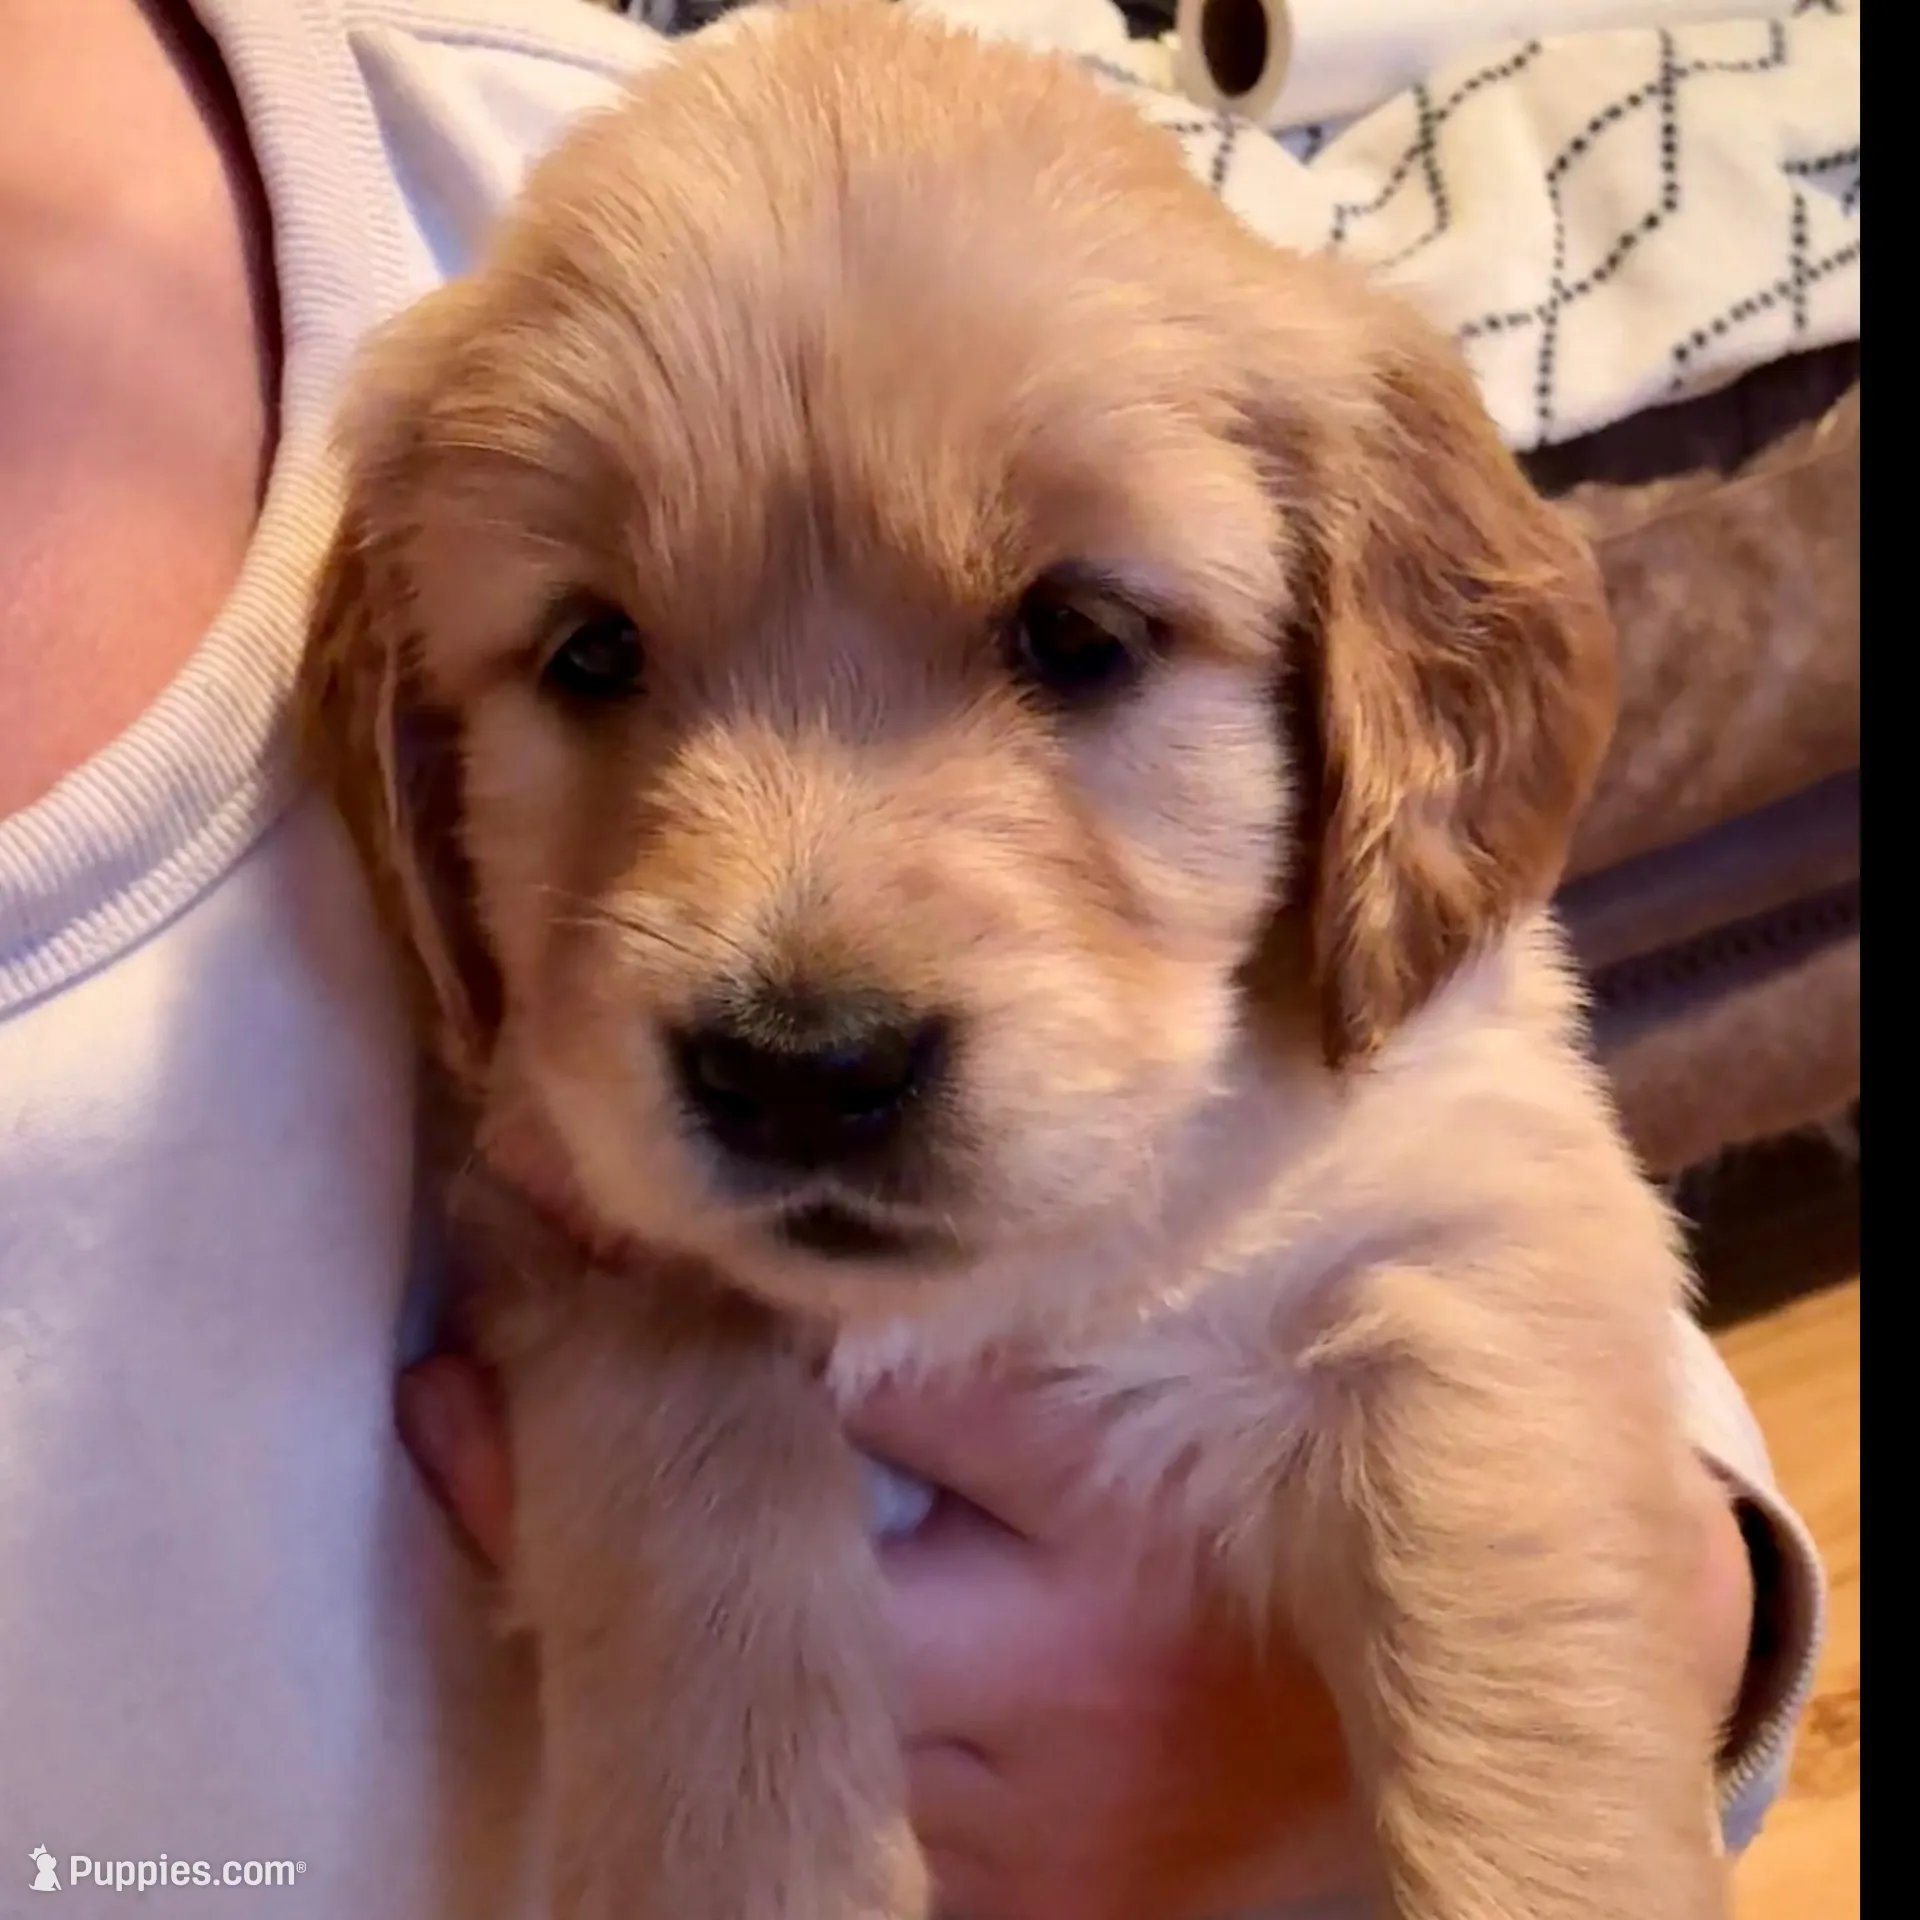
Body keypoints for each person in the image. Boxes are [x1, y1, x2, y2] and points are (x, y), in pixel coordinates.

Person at [0, 1, 1822, 1916]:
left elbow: (1536, 1350)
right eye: (596, 662)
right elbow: (560, 1260)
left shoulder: (482, 116)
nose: (795, 967)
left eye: (1078, 645)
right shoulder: (446, 380)